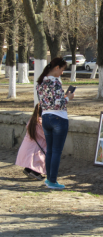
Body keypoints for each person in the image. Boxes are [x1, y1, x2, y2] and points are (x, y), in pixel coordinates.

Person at [36, 57, 74, 189]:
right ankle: (52, 181)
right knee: (57, 151)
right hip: (59, 118)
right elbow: (58, 105)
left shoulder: (40, 82)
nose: (62, 73)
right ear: (57, 67)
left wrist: (63, 98)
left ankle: (49, 179)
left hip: (46, 117)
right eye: (62, 70)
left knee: (50, 151)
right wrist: (68, 98)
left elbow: (47, 102)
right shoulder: (55, 82)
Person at [16, 104, 46, 181]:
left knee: (32, 160)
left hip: (27, 147)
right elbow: (45, 135)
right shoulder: (40, 123)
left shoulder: (32, 120)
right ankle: (35, 172)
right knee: (37, 160)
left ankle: (28, 170)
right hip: (36, 148)